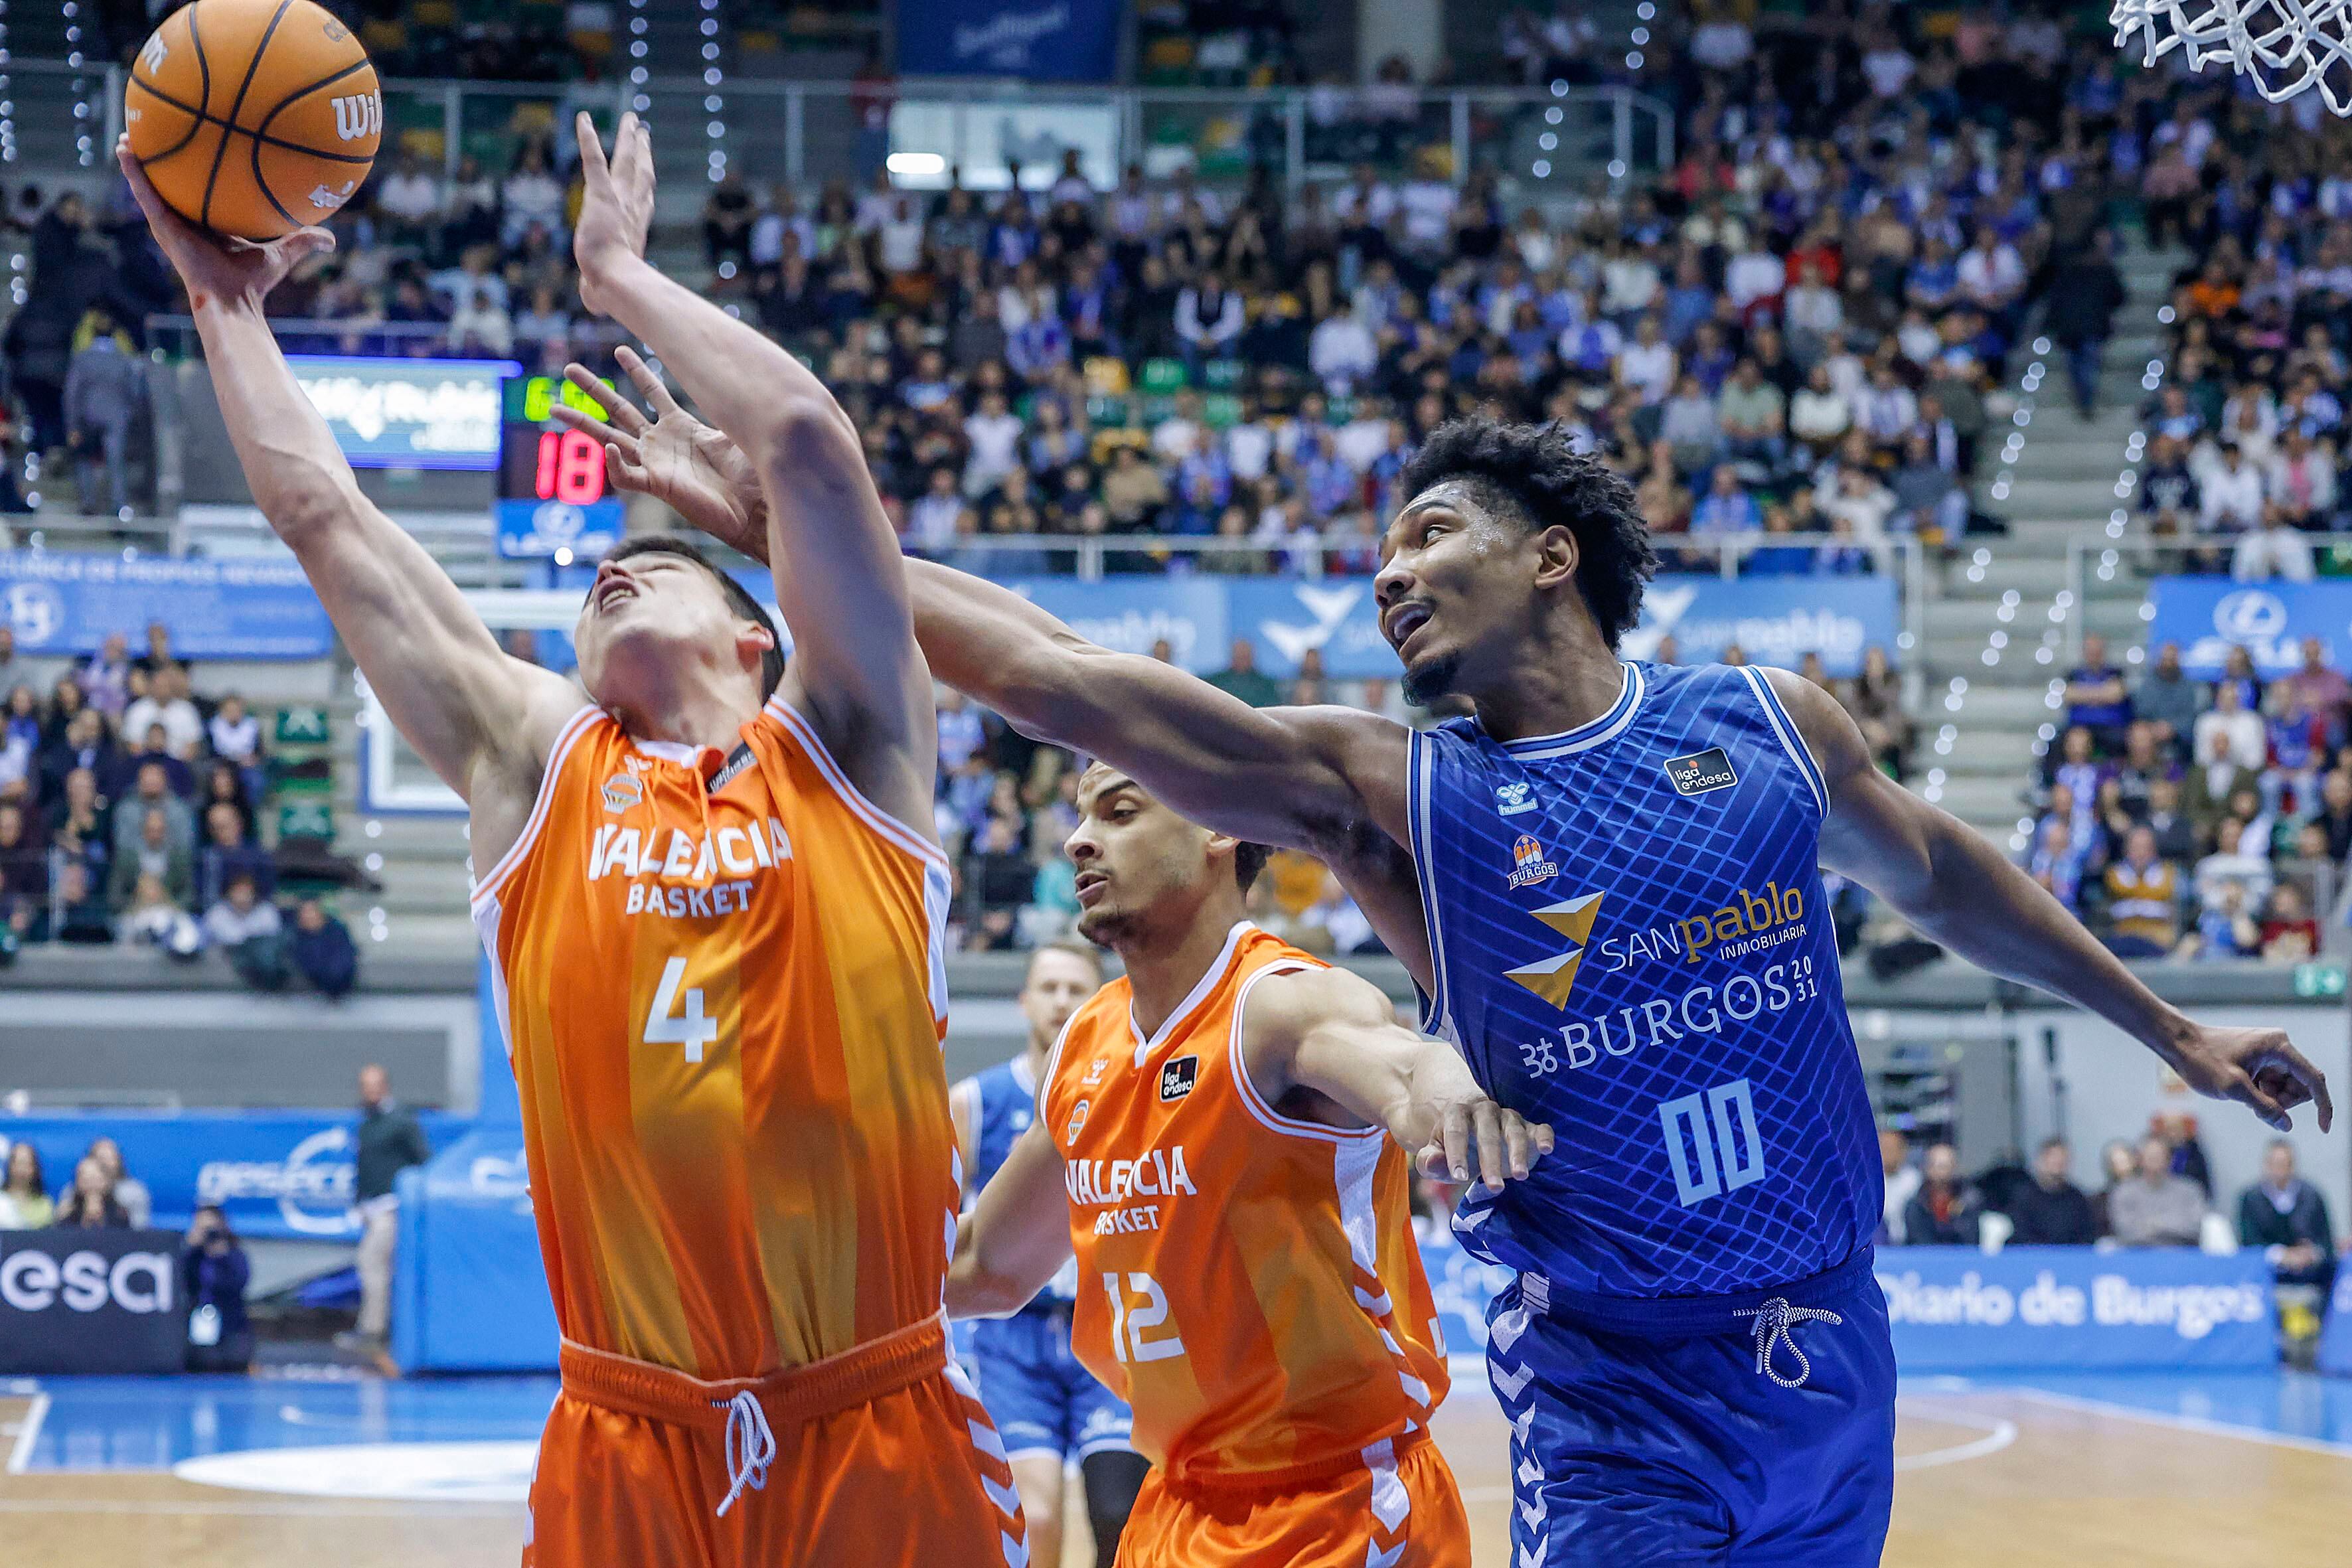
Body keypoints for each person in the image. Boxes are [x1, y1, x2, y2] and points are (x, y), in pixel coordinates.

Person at [564, 406, 2333, 1566]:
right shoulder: (1396, 796)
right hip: (1611, 1378)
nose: (1385, 573)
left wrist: (2167, 1027)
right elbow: (1058, 678)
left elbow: (1943, 877)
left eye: (1422, 537)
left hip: (1828, 1345)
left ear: (1546, 553)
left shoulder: (1763, 723)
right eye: (1378, 558)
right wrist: (814, 534)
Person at [124, 113, 1025, 1568]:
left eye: (648, 563)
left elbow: (802, 440)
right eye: (595, 581)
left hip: (876, 1412)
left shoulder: (853, 739)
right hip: (625, 1428)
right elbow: (325, 518)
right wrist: (224, 305)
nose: (606, 570)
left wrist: (617, 276)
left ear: (757, 630)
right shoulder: (537, 761)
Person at [950, 764, 1551, 1566]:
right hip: (1175, 1505)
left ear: (1217, 825)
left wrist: (1449, 1105)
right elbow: (982, 1268)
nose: (1078, 838)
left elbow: (1405, 1068)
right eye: (1078, 814)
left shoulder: (1278, 1004)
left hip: (1335, 1508)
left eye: (1120, 810)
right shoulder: (1084, 1048)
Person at [949, 943, 1144, 1568]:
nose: (1061, 1000)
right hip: (1013, 1342)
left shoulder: (1132, 1093)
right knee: (1034, 1517)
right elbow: (941, 1227)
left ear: (1101, 1001)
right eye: (1049, 987)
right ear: (1024, 1000)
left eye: (1074, 988)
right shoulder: (974, 1102)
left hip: (1106, 1329)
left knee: (1120, 1512)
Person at [335, 1064, 431, 1355]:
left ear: (385, 1085)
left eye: (375, 1084)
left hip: (391, 1208)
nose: (370, 1090)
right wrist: (360, 1203)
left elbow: (424, 1160)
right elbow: (364, 1167)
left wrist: (404, 1199)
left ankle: (374, 1331)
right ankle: (376, 1328)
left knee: (372, 1263)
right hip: (371, 1209)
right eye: (365, 1084)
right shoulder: (367, 1123)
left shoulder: (401, 1120)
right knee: (373, 1266)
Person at [2236, 1138, 2335, 1291]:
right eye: (2275, 1164)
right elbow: (2248, 1242)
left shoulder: (2312, 1196)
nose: (2280, 1170)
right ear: (2267, 1165)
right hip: (2266, 1278)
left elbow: (2326, 1242)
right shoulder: (2251, 1199)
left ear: (2293, 1166)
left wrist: (2311, 1254)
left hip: (2310, 1276)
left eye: (2285, 1164)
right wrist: (2281, 1255)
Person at [183, 1204, 256, 1373]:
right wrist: (190, 1248)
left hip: (229, 1327)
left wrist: (222, 1257)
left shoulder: (234, 1255)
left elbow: (240, 1282)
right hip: (194, 1326)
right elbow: (177, 1280)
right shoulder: (191, 1257)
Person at [2106, 1135, 2208, 1247]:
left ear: (2170, 1159)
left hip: (2181, 1253)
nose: (2154, 1161)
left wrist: (2152, 1225)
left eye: (2159, 1156)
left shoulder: (2190, 1190)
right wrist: (2171, 1225)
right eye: (2150, 1156)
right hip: (2136, 1255)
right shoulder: (2123, 1192)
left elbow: (2194, 1228)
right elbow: (2124, 1230)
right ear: (2139, 1159)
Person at [2002, 1137, 2097, 1245]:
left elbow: (2087, 1235)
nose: (2058, 1163)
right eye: (2053, 1158)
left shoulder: (2077, 1199)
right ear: (2040, 1160)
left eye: (2062, 1160)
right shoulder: (2024, 1197)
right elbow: (2020, 1234)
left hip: (2070, 1257)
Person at [1901, 1142, 1980, 1245]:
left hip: (1960, 1257)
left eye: (1947, 1166)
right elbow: (1919, 1242)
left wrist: (1956, 1218)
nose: (1942, 1174)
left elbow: (1971, 1241)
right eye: (1938, 1166)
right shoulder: (1916, 1206)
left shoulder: (1969, 1202)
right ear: (1928, 1169)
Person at [51, 1154, 129, 1229]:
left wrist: (100, 1218)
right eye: (85, 1179)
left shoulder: (120, 1212)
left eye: (95, 1179)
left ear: (107, 1181)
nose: (91, 1184)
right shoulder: (68, 1212)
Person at [1877, 1128, 1919, 1245]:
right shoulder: (1869, 1182)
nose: (1887, 1153)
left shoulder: (1915, 1180)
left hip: (1909, 1244)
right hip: (1878, 1245)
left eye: (1892, 1149)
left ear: (1903, 1151)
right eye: (1884, 1148)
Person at [0, 1140, 52, 1227]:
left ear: (36, 1169)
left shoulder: (45, 1204)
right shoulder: (2, 1200)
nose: (22, 1169)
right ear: (9, 1166)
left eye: (28, 1164)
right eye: (19, 1163)